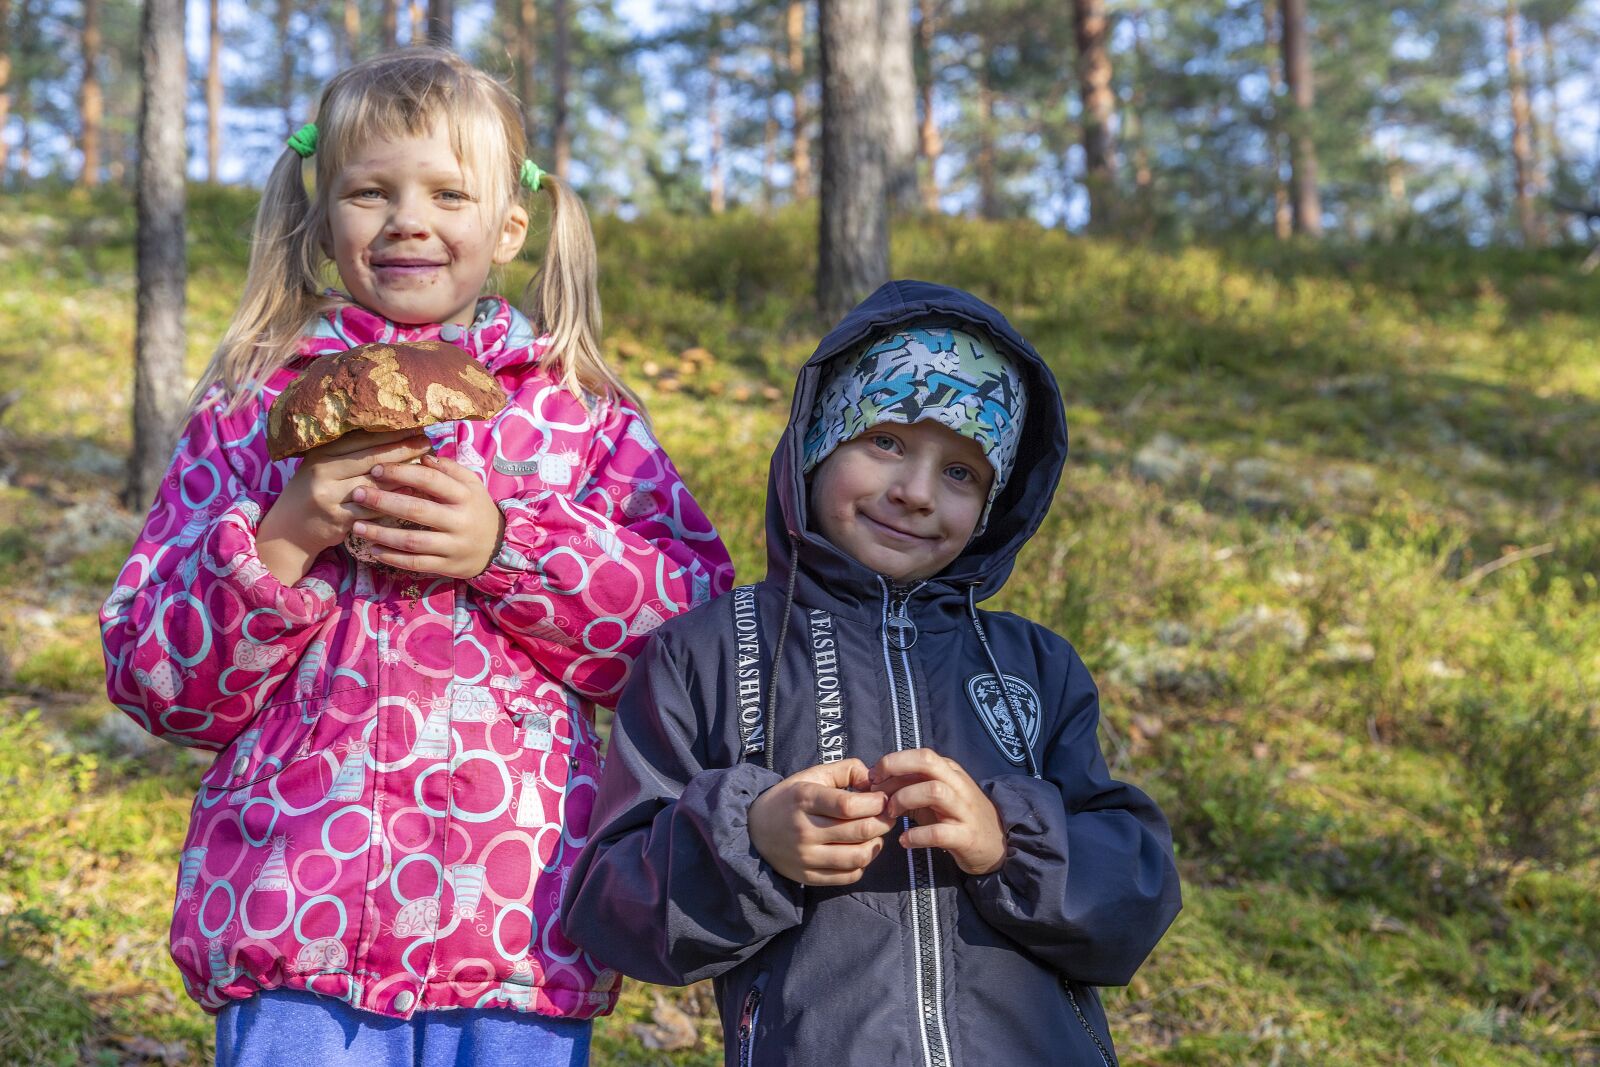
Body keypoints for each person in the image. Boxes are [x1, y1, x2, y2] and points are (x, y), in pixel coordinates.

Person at [99, 48, 733, 1067]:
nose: (407, 219)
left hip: (517, 924)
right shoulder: (249, 412)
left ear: (509, 224)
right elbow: (154, 675)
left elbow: (690, 633)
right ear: (321, 215)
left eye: (448, 191)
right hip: (291, 918)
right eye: (368, 191)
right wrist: (286, 537)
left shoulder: (576, 413)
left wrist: (507, 545)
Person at [562, 280, 1182, 1066]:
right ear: (818, 440)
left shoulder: (1039, 669)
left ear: (994, 505)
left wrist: (1008, 845)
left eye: (961, 472)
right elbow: (613, 902)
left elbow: (1134, 897)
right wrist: (749, 841)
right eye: (885, 439)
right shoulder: (705, 654)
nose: (916, 492)